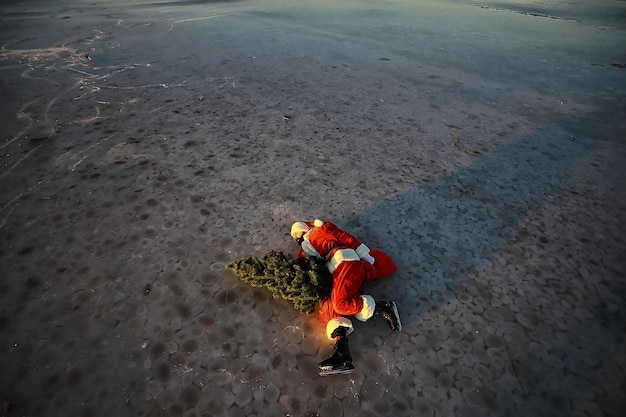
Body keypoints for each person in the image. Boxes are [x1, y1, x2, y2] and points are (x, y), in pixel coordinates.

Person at [290, 219, 401, 376]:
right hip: (335, 272)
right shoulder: (306, 251)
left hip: (344, 261)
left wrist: (365, 255)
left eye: (297, 232)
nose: (296, 237)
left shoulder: (319, 230)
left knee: (341, 304)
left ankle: (383, 307)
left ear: (304, 228)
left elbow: (345, 237)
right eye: (293, 236)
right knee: (330, 309)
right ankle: (342, 356)